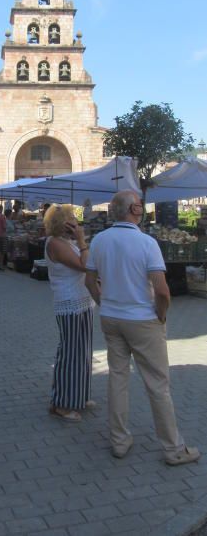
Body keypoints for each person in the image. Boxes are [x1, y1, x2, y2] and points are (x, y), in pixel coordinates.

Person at [85, 190, 200, 466]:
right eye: (139, 204)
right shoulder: (146, 243)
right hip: (142, 319)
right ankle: (173, 448)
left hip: (112, 317)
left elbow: (89, 281)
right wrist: (161, 315)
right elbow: (162, 290)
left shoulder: (99, 240)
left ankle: (119, 440)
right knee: (158, 384)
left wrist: (104, 303)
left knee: (118, 379)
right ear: (135, 209)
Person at [44, 204, 95, 422]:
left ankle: (78, 396)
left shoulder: (66, 241)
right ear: (63, 223)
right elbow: (85, 265)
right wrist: (82, 241)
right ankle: (61, 403)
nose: (76, 222)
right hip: (69, 303)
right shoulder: (55, 243)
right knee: (70, 354)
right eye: (72, 219)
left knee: (83, 352)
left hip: (82, 301)